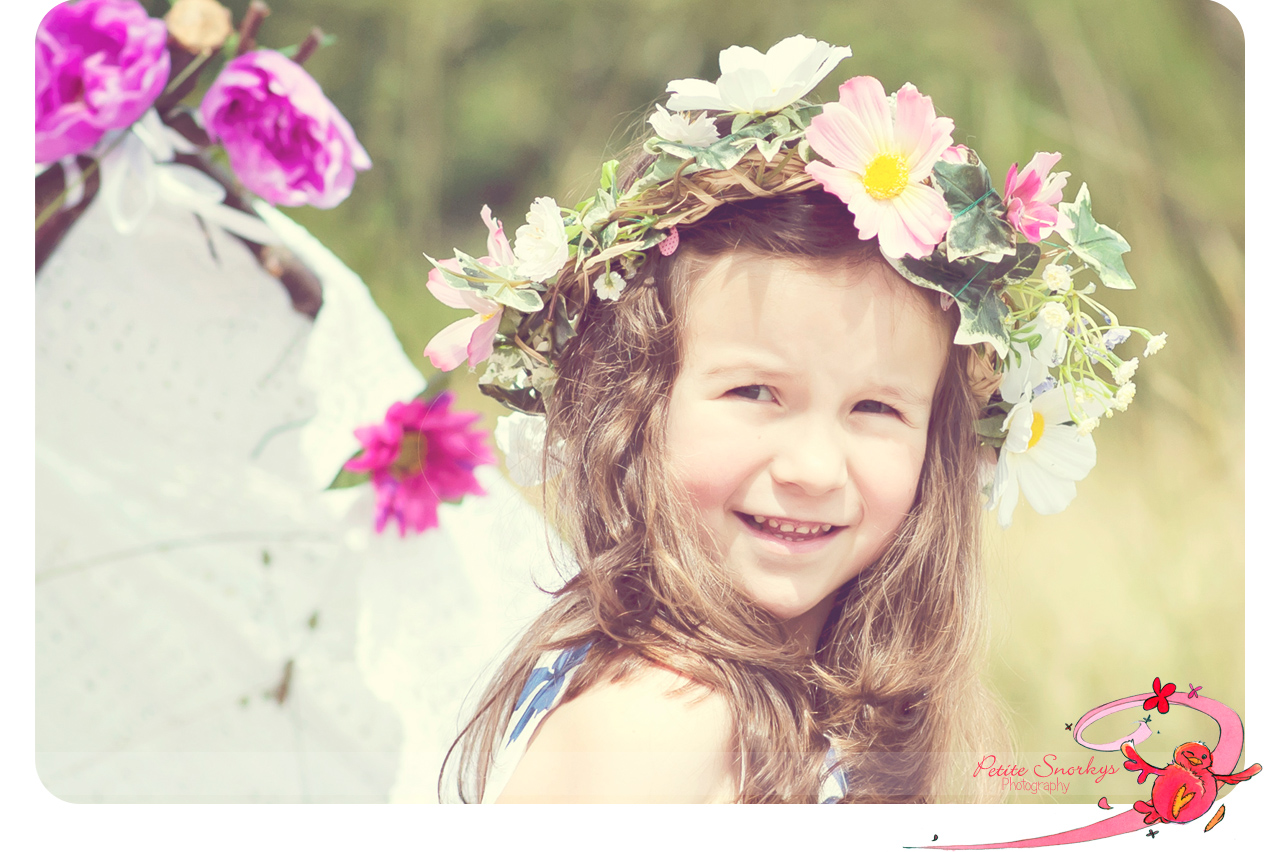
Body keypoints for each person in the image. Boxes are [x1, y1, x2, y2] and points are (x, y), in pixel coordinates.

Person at [422, 35, 1162, 804]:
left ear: (941, 442)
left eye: (875, 408)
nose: (811, 468)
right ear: (639, 402)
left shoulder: (788, 697)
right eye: (754, 393)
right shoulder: (658, 729)